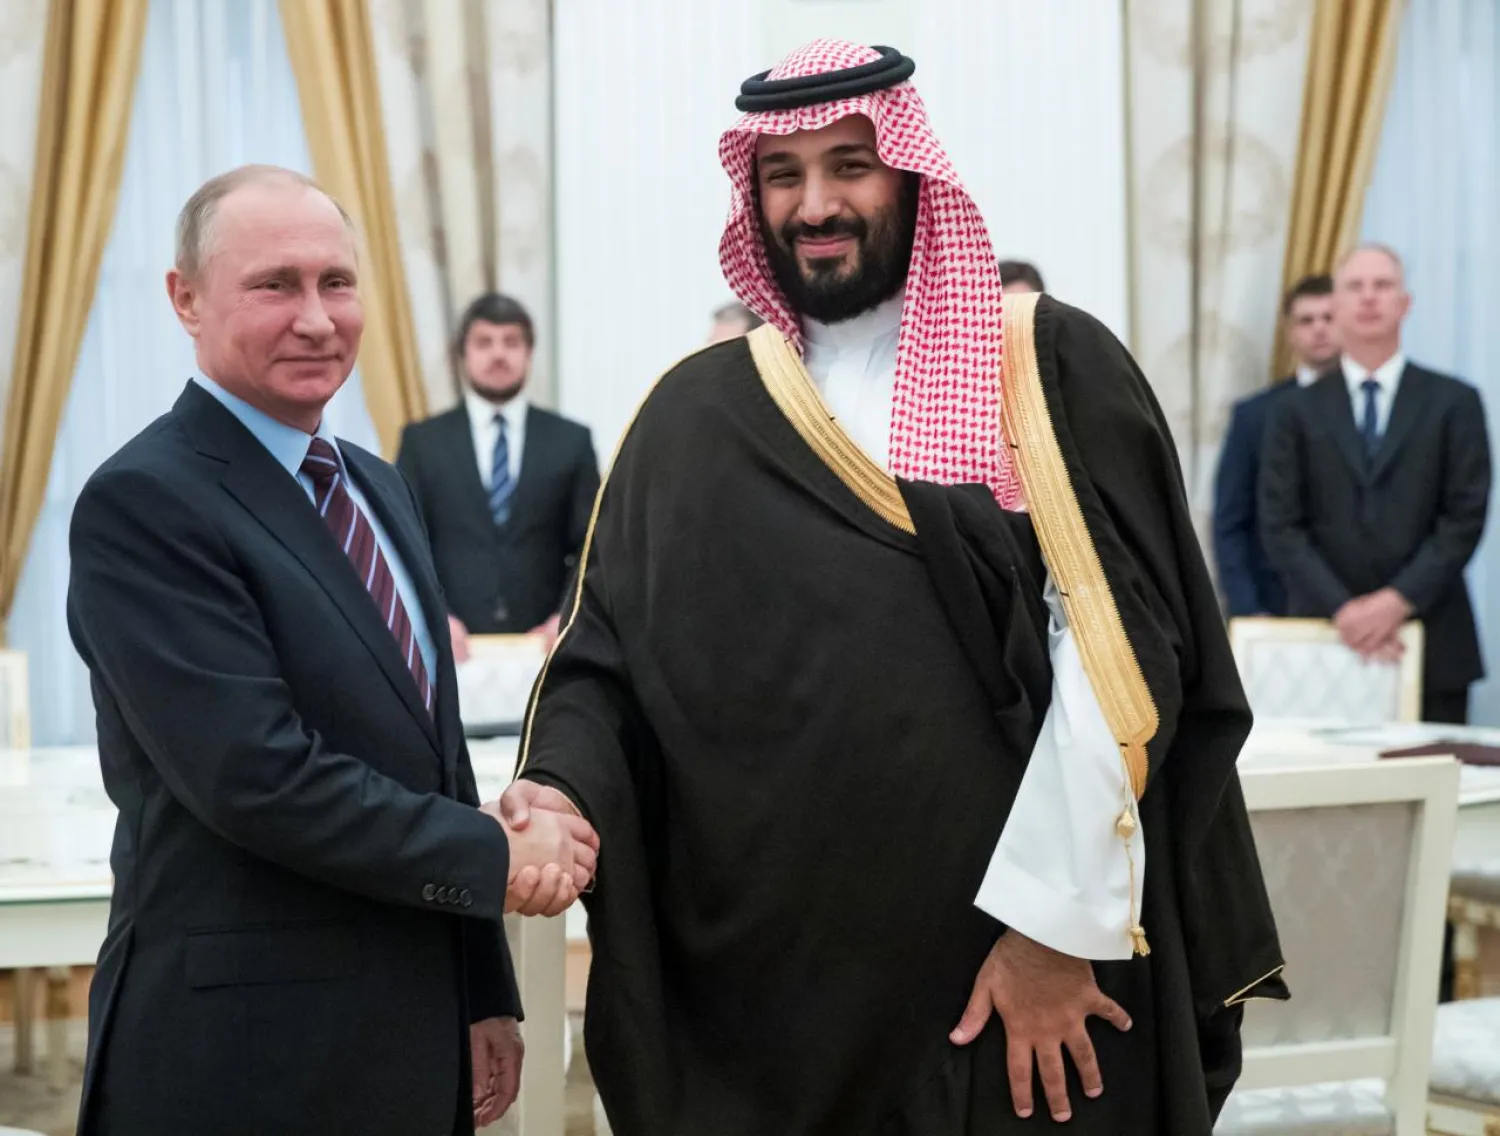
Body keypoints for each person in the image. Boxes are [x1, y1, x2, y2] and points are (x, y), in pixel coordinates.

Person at [502, 41, 1284, 1135]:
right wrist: (563, 792)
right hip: (775, 1004)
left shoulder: (1045, 367)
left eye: (849, 165)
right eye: (784, 175)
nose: (816, 203)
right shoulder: (693, 415)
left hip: (1010, 988)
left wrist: (1055, 930)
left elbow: (1117, 655)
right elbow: (607, 662)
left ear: (913, 174)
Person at [66, 165, 597, 1136]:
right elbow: (255, 774)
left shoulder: (375, 485)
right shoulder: (144, 501)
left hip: (407, 1031)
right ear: (184, 297)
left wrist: (482, 988)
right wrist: (495, 852)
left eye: (337, 282)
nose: (317, 317)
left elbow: (431, 755)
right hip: (245, 1057)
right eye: (276, 284)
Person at [1261, 243, 1490, 723]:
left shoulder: (1455, 402)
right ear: (1336, 304)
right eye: (1355, 287)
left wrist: (1395, 602)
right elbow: (1280, 524)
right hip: (1324, 638)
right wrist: (1346, 611)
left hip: (1433, 638)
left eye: (1383, 286)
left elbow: (1464, 518)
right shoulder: (1292, 412)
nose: (1369, 298)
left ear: (1404, 303)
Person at [397, 293, 599, 657]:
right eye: (484, 342)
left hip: (546, 649)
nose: (498, 354)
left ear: (529, 353)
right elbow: (404, 541)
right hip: (449, 648)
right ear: (463, 355)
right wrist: (433, 613)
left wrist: (567, 616)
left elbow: (592, 545)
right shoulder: (422, 442)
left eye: (511, 342)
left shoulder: (571, 441)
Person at [1213, 273, 1338, 616]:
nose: (1320, 329)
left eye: (1330, 318)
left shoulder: (1372, 407)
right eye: (1307, 320)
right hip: (1275, 605)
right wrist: (1247, 608)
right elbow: (1230, 521)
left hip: (1362, 609)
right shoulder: (1255, 415)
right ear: (1290, 333)